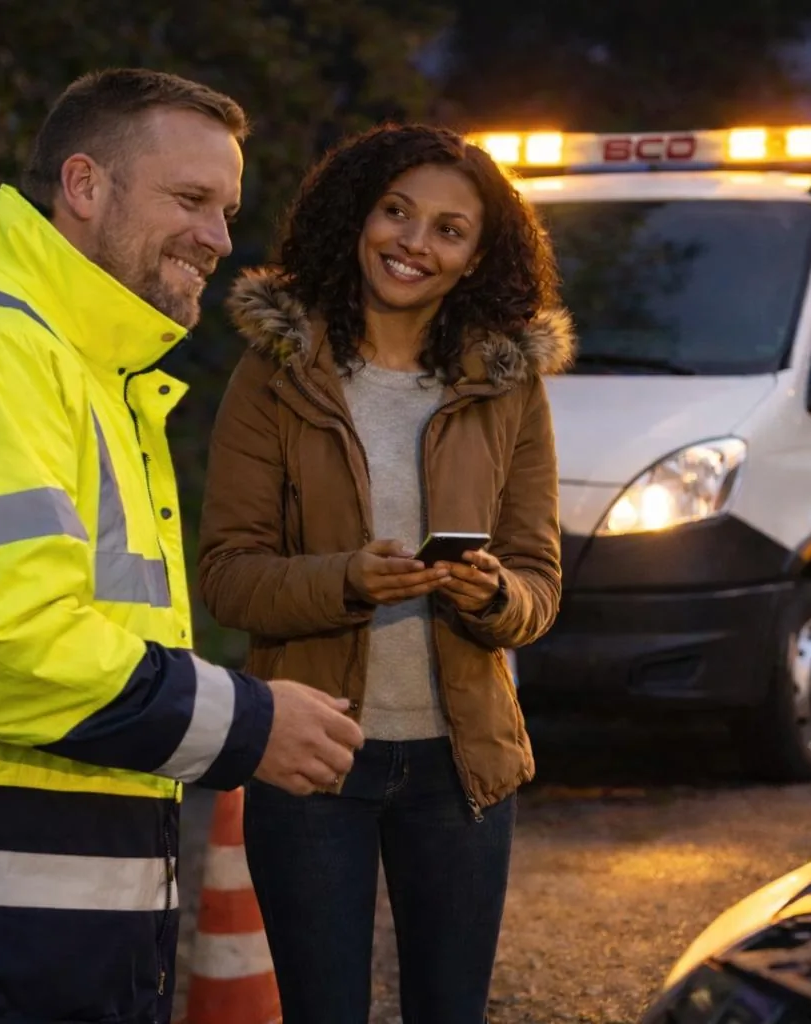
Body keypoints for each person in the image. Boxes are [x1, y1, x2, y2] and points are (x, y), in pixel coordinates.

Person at [0, 68, 363, 1024]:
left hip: (33, 925)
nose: (220, 239)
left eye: (227, 209)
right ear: (84, 186)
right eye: (190, 199)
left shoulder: (85, 365)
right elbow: (2, 644)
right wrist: (249, 721)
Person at [198, 123, 575, 1023]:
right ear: (356, 214)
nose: (414, 242)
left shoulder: (505, 380)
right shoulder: (277, 372)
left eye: (449, 229)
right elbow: (227, 576)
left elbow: (539, 583)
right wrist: (347, 581)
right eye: (397, 212)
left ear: (479, 256)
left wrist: (494, 597)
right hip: (312, 754)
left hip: (464, 763)